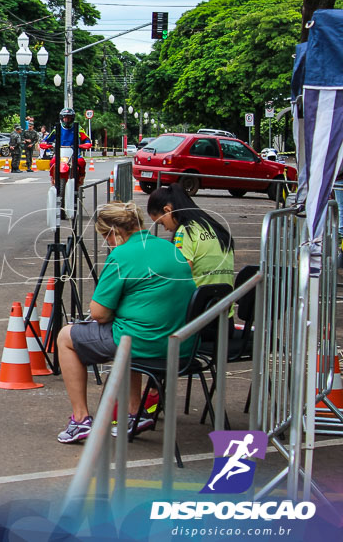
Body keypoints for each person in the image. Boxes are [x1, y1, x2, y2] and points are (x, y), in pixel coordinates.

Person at [55, 202, 196, 444]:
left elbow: (98, 313)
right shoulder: (170, 248)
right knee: (130, 332)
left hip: (143, 342)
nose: (107, 244)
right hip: (181, 344)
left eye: (105, 237)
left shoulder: (122, 255)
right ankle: (134, 412)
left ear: (115, 232)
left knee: (66, 337)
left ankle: (80, 419)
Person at [148, 183, 235, 288]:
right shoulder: (212, 225)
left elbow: (180, 276)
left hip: (200, 300)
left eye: (162, 223)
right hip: (226, 299)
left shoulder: (184, 231)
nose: (166, 229)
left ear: (167, 210)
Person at [41, 108, 91, 186]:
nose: (67, 120)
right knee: (52, 162)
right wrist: (44, 143)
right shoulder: (57, 128)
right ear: (62, 118)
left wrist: (86, 144)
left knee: (81, 162)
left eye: (69, 118)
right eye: (65, 118)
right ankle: (53, 178)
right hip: (60, 153)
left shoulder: (78, 128)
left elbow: (86, 139)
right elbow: (47, 138)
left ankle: (81, 179)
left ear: (72, 119)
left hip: (74, 154)